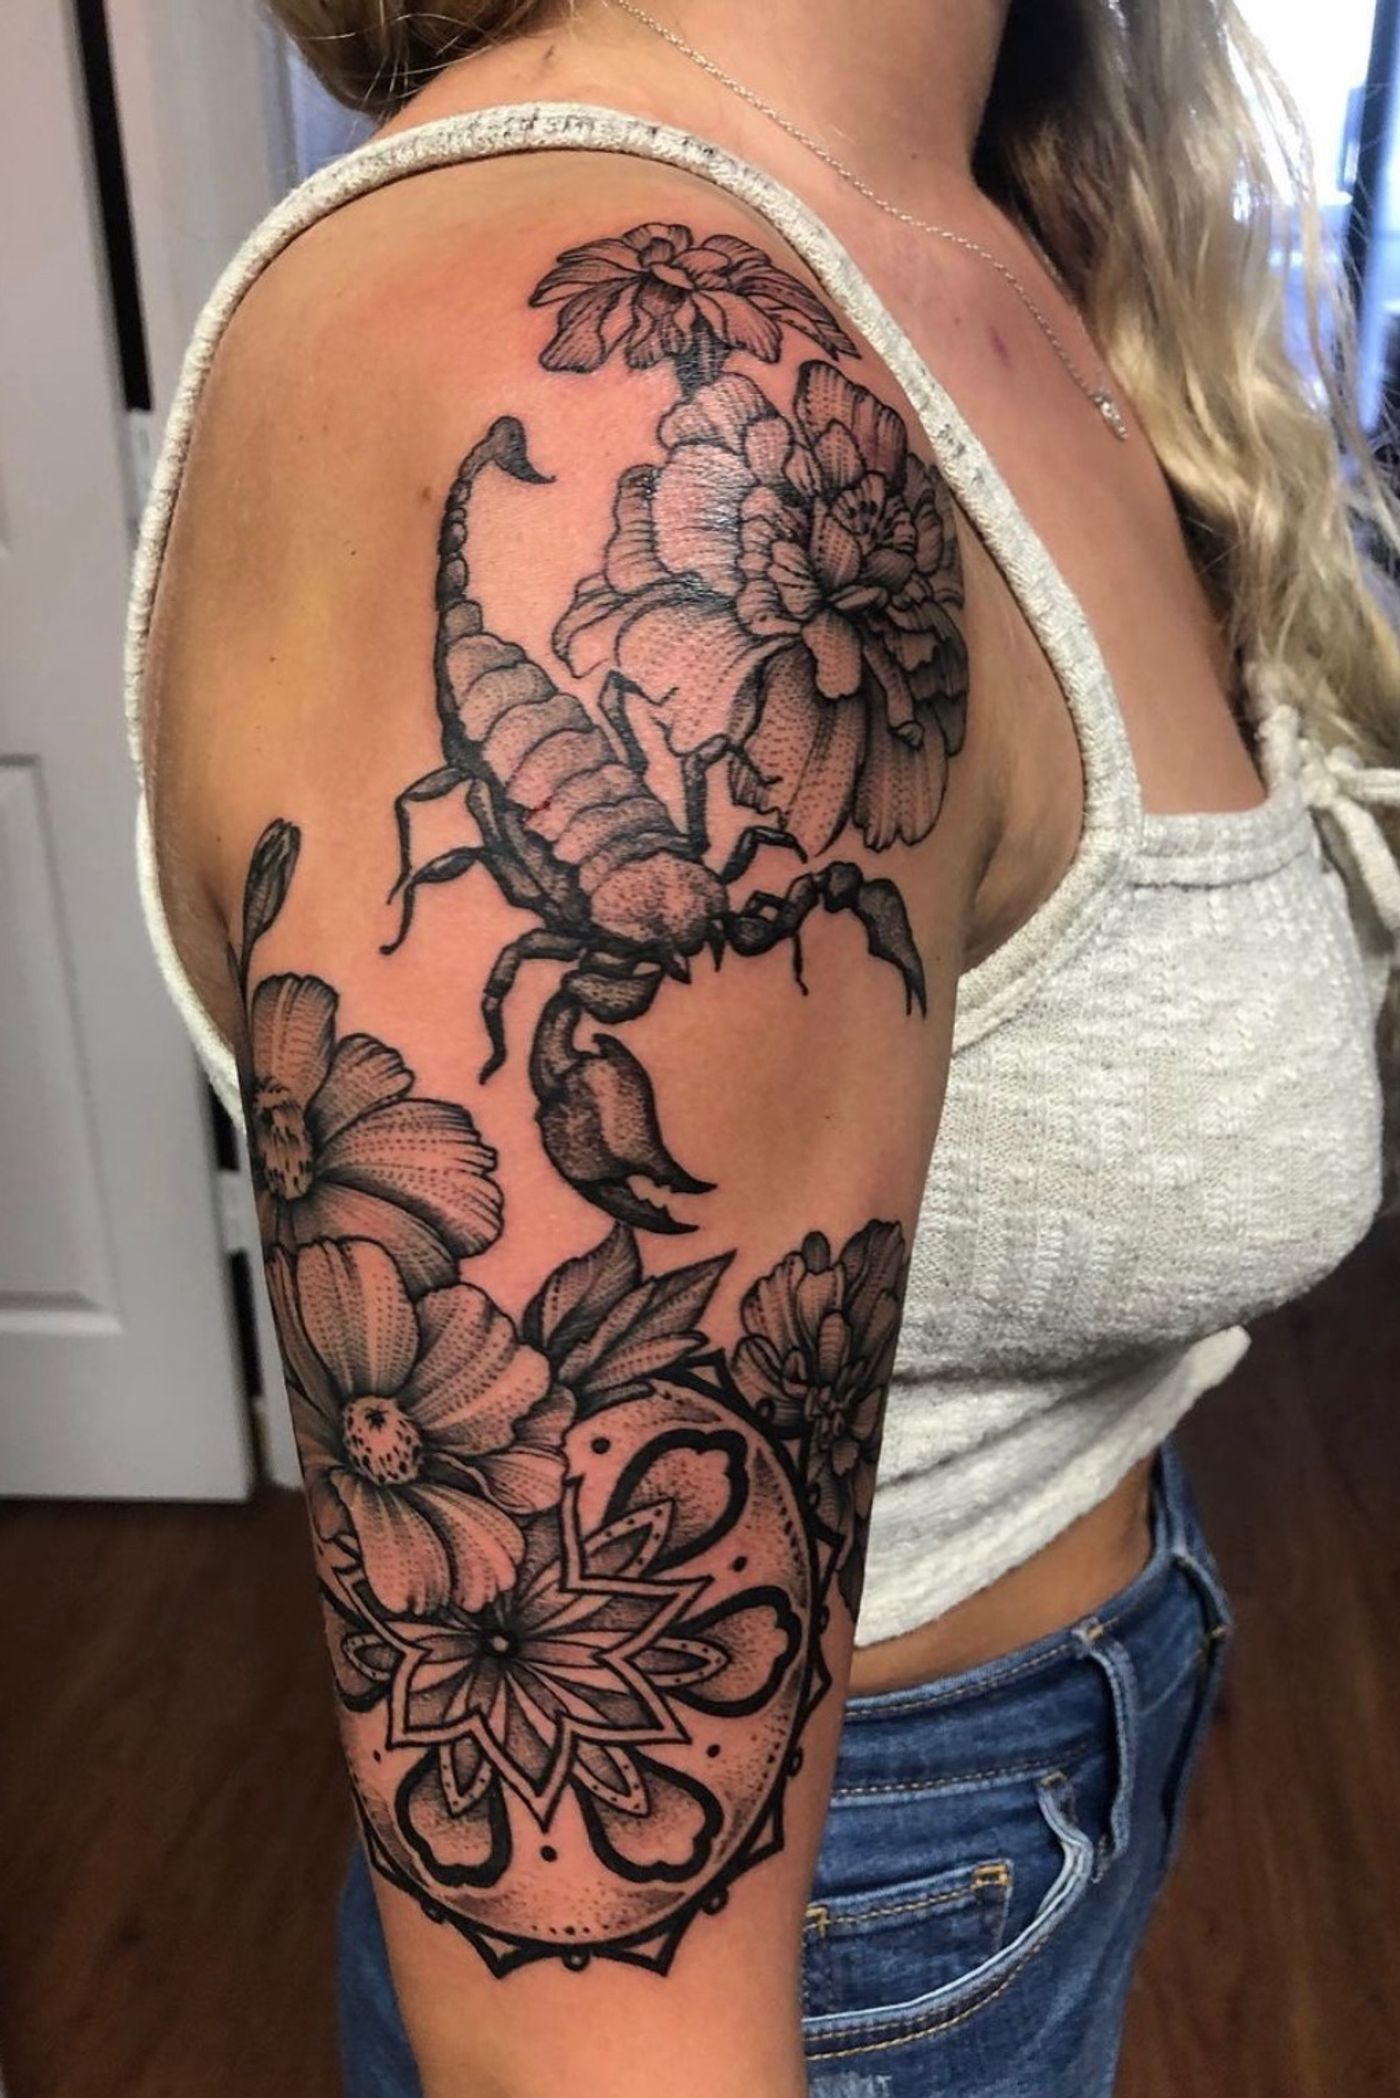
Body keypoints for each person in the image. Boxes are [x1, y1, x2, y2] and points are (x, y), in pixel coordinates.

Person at [125, 2, 1400, 2092]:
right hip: (834, 1937)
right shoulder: (605, 377)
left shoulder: (1007, 221)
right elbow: (571, 2015)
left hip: (1032, 1775)